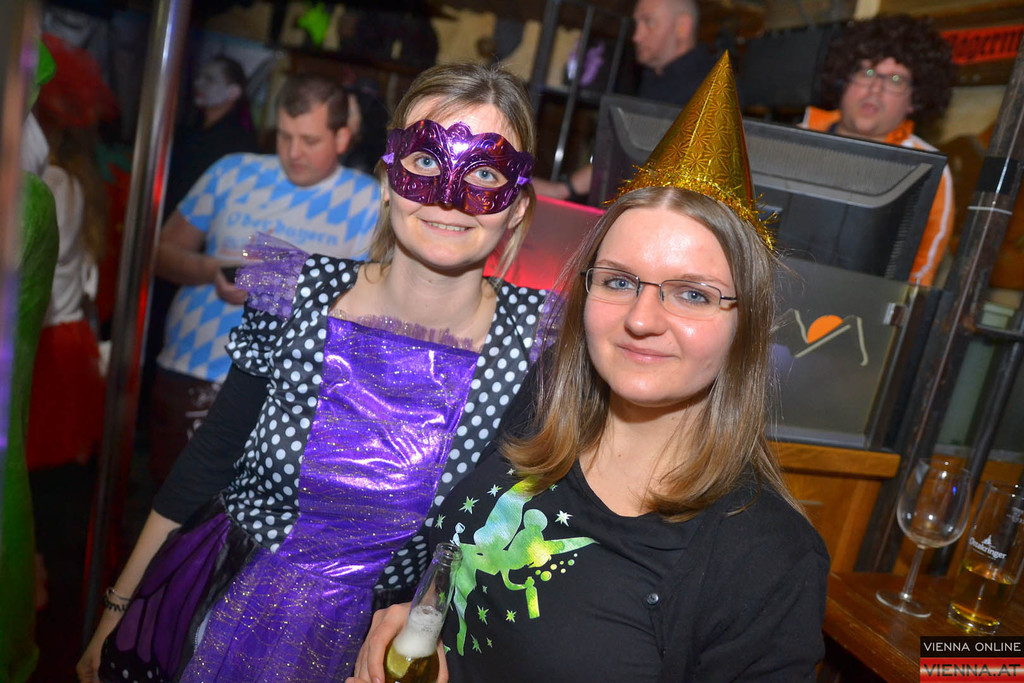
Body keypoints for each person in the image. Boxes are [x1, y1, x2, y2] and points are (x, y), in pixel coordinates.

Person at [349, 54, 829, 683]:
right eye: (620, 281)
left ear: (747, 324)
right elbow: (455, 572)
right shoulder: (544, 402)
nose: (642, 319)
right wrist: (409, 615)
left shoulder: (766, 560)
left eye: (693, 293)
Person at [77, 62, 549, 683]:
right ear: (388, 180)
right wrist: (116, 609)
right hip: (217, 612)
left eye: (485, 173)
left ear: (516, 207)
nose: (448, 195)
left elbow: (509, 539)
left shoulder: (538, 342)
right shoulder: (290, 285)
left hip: (374, 650)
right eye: (425, 162)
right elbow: (209, 456)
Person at [148, 71, 380, 485]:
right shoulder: (232, 171)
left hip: (287, 391)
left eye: (310, 140)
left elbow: (374, 302)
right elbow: (160, 253)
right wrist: (213, 269)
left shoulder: (368, 199)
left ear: (342, 139)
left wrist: (290, 286)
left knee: (239, 516)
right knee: (170, 497)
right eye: (284, 136)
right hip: (192, 366)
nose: (293, 152)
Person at [802, 14, 955, 287]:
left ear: (915, 99)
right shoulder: (792, 140)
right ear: (844, 79)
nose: (875, 88)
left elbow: (917, 279)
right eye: (867, 72)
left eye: (895, 79)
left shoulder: (928, 169)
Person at [534, 0, 715, 203]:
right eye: (637, 24)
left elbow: (646, 153)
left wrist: (564, 189)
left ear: (682, 26)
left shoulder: (709, 85)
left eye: (649, 22)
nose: (637, 36)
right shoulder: (657, 77)